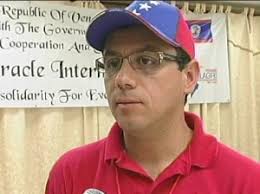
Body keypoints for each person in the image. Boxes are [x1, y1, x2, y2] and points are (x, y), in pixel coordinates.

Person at [45, 1, 260, 194]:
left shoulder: (246, 182)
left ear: (189, 76)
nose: (122, 79)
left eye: (146, 60)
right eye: (112, 63)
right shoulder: (71, 173)